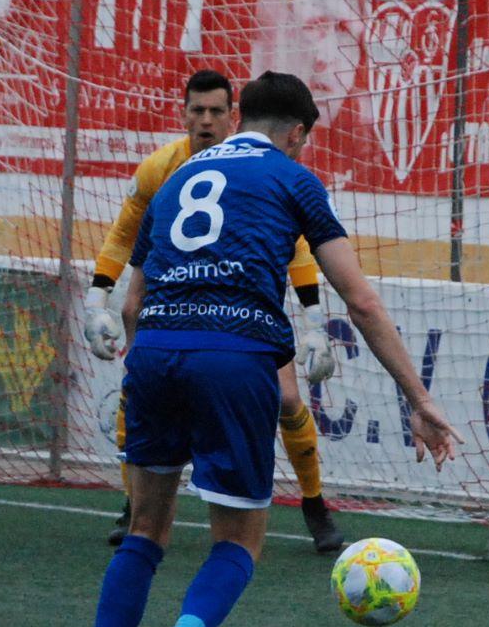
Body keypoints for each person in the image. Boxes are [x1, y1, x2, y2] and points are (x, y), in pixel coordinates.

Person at [69, 71, 454, 627]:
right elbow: (360, 301)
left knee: (144, 531)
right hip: (234, 357)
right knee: (238, 540)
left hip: (155, 351)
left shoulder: (176, 174)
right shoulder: (294, 178)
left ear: (239, 114)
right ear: (298, 133)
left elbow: (131, 304)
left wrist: (151, 351)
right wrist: (417, 399)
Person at [84, 69, 348, 555]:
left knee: (289, 401)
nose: (206, 120)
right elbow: (126, 235)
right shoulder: (162, 169)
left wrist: (313, 320)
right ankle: (134, 502)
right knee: (135, 379)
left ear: (235, 117)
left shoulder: (263, 171)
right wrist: (95, 298)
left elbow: (297, 248)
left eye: (216, 111)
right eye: (197, 110)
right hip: (171, 306)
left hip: (243, 310)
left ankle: (314, 504)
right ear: (183, 114)